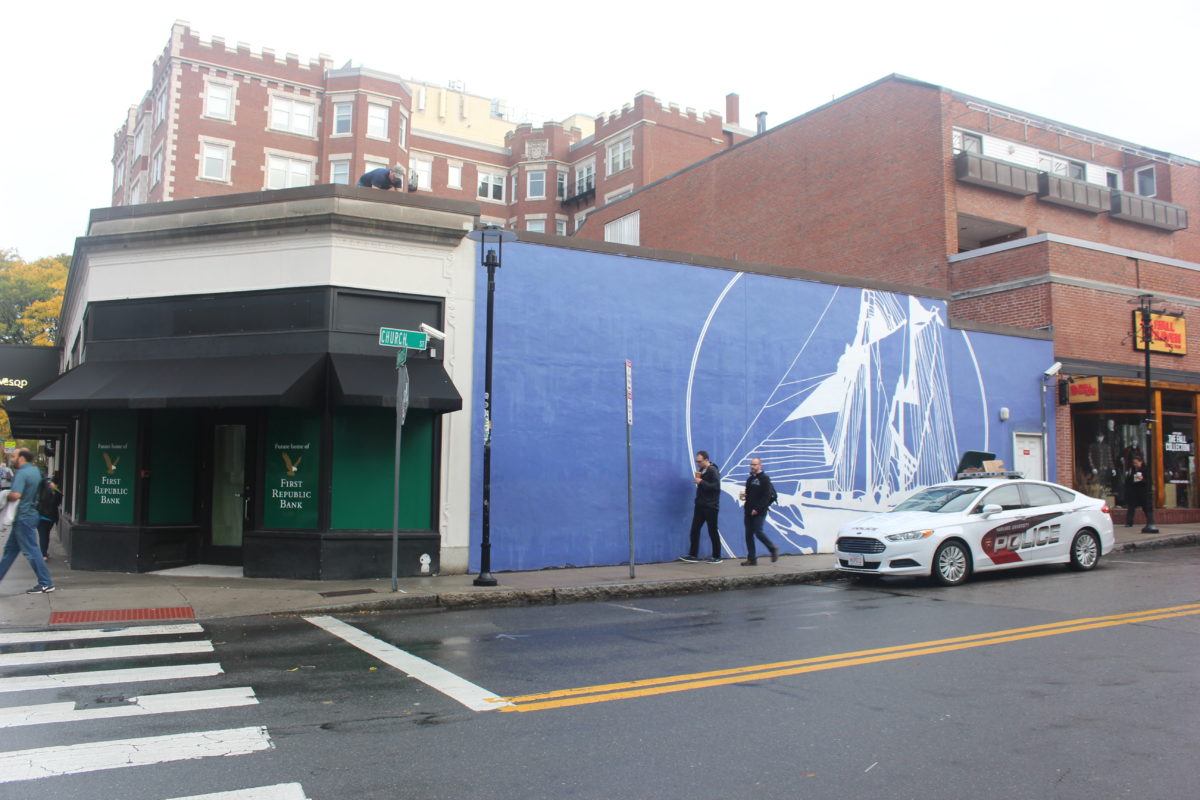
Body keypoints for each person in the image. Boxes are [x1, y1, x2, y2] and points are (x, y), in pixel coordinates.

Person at [0, 448, 54, 593]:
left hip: (23, 517)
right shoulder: (36, 471)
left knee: (31, 551)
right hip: (31, 514)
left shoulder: (22, 473)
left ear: (22, 458)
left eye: (14, 456)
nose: (11, 458)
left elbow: (16, 495)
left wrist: (5, 495)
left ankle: (45, 582)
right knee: (10, 551)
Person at [679, 451, 723, 564]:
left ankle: (717, 556)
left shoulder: (713, 470)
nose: (698, 463)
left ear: (706, 460)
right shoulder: (703, 470)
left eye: (700, 461)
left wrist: (701, 481)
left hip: (711, 506)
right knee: (695, 529)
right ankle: (693, 554)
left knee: (712, 531)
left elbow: (716, 487)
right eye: (697, 461)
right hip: (701, 505)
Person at [740, 457, 780, 566]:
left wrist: (757, 509)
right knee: (748, 534)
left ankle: (772, 548)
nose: (753, 467)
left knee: (758, 531)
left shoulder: (764, 479)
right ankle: (751, 558)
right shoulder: (750, 479)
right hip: (748, 510)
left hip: (759, 511)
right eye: (751, 465)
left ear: (760, 466)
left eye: (755, 464)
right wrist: (745, 499)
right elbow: (749, 494)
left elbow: (766, 496)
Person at [36, 470, 62, 559]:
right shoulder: (58, 492)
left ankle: (43, 554)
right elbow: (58, 503)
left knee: (42, 535)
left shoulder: (43, 488)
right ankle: (45, 552)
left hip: (41, 516)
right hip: (51, 518)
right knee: (46, 535)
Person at [1123, 456, 1152, 528]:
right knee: (1131, 507)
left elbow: (1148, 481)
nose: (1135, 465)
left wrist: (1142, 479)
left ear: (1141, 462)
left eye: (1136, 463)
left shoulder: (1145, 470)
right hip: (1134, 492)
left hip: (1142, 492)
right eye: (1134, 463)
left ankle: (1150, 521)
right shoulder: (1132, 469)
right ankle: (1129, 522)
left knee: (1145, 507)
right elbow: (1129, 480)